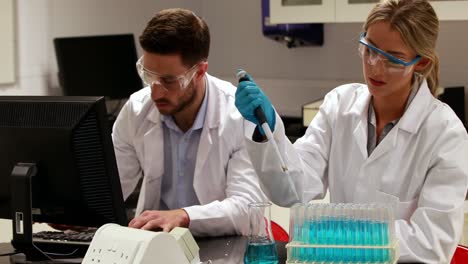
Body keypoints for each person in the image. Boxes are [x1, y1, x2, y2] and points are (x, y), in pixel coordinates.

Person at [235, 0, 468, 262]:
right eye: (370, 50)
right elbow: (293, 191)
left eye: (392, 59)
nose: (375, 67)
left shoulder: (445, 134)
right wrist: (266, 129)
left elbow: (431, 243)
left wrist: (348, 234)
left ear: (421, 63)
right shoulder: (340, 106)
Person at [112, 8, 266, 237]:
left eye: (168, 81)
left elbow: (247, 209)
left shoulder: (238, 116)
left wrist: (184, 216)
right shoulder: (137, 110)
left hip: (224, 245)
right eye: (148, 75)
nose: (155, 92)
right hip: (154, 243)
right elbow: (110, 190)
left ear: (200, 71)